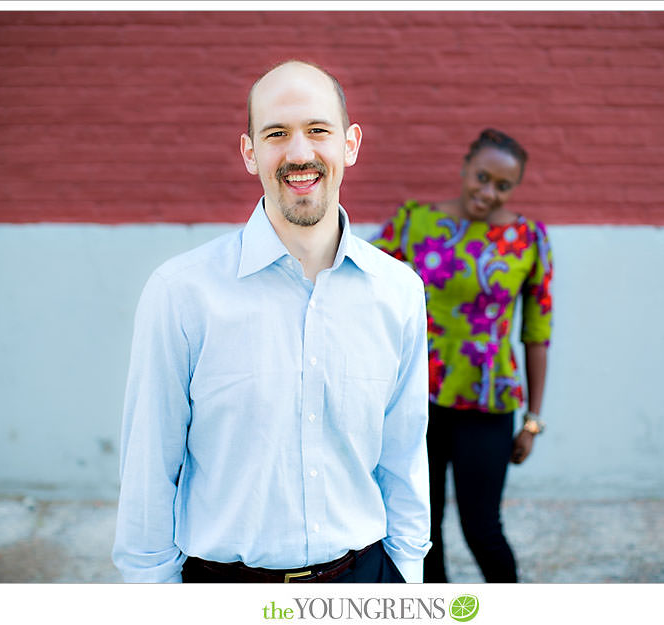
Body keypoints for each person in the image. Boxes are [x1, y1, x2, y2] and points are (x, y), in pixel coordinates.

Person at [112, 60, 431, 583]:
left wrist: (406, 575)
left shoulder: (397, 293)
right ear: (249, 152)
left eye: (318, 130)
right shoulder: (181, 294)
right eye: (277, 133)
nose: (300, 153)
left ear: (350, 144)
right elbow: (149, 472)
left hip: (364, 582)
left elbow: (403, 455)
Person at [372, 128, 553, 583]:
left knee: (482, 529)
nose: (488, 192)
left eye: (503, 186)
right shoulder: (415, 223)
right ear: (465, 168)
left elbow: (537, 332)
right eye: (482, 177)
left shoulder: (528, 238)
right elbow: (363, 285)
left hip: (487, 403)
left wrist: (533, 419)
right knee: (419, 530)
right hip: (416, 400)